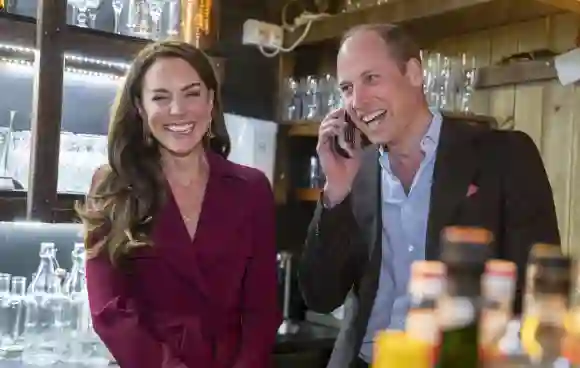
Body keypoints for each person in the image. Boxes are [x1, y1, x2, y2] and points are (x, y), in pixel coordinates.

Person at [298, 24, 560, 368]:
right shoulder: (352, 173)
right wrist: (335, 192)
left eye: (371, 79)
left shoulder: (503, 156)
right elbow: (320, 295)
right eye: (347, 88)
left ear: (414, 72)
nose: (357, 102)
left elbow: (539, 293)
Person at [76, 40, 281, 368]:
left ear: (211, 101)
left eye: (192, 93)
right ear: (141, 109)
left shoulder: (252, 189)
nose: (178, 110)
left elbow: (263, 309)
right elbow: (109, 309)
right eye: (160, 97)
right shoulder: (112, 186)